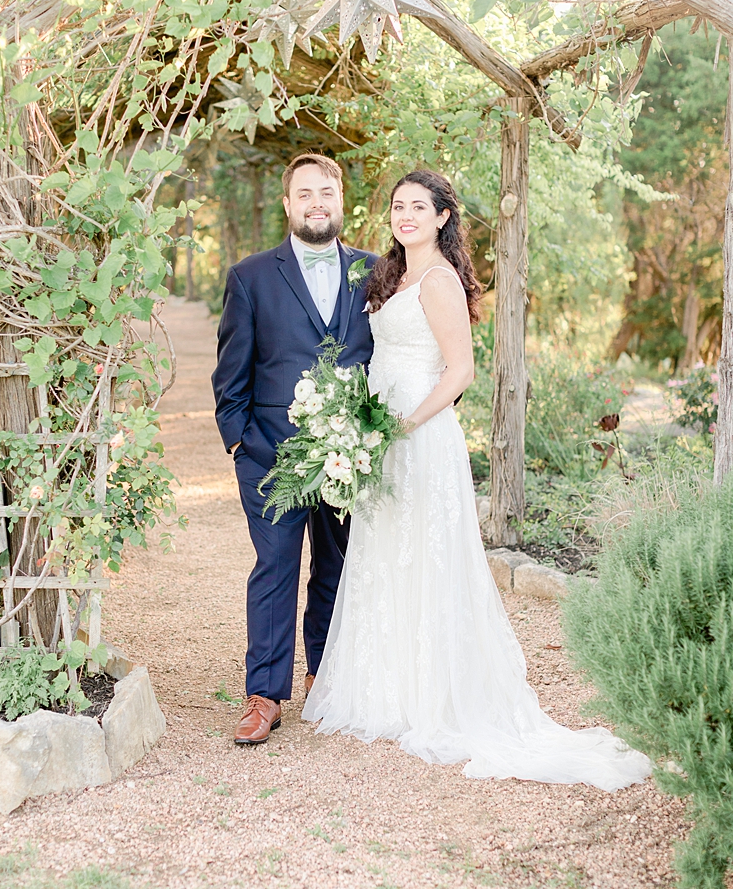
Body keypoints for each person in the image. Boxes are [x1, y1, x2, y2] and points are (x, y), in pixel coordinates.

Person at [303, 169, 651, 791]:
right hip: (379, 431)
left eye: (418, 207)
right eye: (397, 206)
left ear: (442, 218)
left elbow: (460, 370)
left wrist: (403, 423)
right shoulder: (390, 275)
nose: (405, 215)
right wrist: (362, 425)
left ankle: (435, 697)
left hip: (419, 434)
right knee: (388, 554)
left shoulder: (436, 280)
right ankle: (390, 690)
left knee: (429, 559)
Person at [213, 153, 377, 745]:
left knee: (338, 570)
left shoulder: (376, 272)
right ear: (287, 204)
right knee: (276, 570)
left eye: (326, 193)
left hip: (351, 459)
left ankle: (326, 678)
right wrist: (240, 443)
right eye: (304, 193)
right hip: (271, 456)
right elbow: (230, 376)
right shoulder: (251, 276)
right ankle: (264, 695)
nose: (316, 203)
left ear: (340, 200)